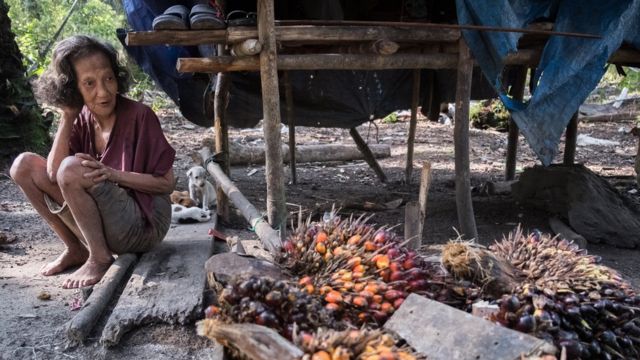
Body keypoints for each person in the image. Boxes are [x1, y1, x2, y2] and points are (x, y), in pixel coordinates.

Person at [10, 35, 176, 289]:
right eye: (89, 83)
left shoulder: (140, 116)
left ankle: (99, 257)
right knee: (23, 165)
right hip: (108, 220)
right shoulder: (81, 117)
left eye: (108, 78)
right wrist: (68, 115)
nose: (104, 91)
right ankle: (75, 248)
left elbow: (166, 184)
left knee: (72, 168)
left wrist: (112, 174)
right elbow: (54, 175)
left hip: (145, 223)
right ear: (72, 88)